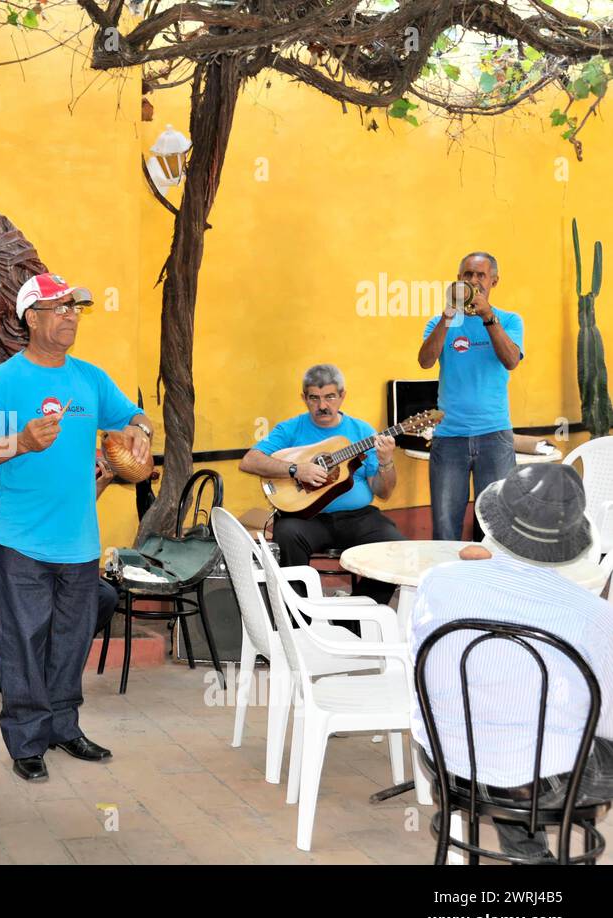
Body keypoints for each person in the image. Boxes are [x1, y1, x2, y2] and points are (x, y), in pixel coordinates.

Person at [0, 271, 153, 782]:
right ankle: (26, 741)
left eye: (75, 308)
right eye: (61, 306)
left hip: (80, 543)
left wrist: (141, 432)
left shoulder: (89, 378)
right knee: (22, 642)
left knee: (70, 641)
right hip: (20, 540)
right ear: (32, 317)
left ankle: (64, 727)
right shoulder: (4, 380)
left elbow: (133, 416)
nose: (71, 315)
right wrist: (19, 442)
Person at [410, 463, 613, 860]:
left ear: (495, 523)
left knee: (515, 725)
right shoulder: (592, 615)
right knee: (556, 739)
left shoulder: (439, 580)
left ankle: (531, 855)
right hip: (545, 785)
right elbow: (605, 723)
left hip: (447, 764)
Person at [239, 363, 404, 604]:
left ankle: (357, 613)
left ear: (342, 396)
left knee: (395, 547)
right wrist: (296, 469)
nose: (323, 405)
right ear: (304, 398)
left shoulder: (362, 431)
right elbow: (249, 461)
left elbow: (384, 492)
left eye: (330, 397)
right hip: (306, 519)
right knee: (286, 534)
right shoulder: (290, 428)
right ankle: (299, 617)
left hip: (357, 518)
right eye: (314, 398)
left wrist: (386, 462)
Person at [0, 461, 120, 647]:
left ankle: (55, 656)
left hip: (50, 560)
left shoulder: (49, 463)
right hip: (4, 564)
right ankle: (41, 661)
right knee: (39, 604)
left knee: (105, 597)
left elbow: (72, 514)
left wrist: (100, 484)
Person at [417, 252, 524, 541]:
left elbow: (511, 360)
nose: (474, 281)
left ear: (494, 281)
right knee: (445, 526)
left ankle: (493, 585)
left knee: (498, 527)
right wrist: (446, 319)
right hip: (449, 436)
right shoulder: (439, 321)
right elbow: (426, 361)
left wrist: (488, 316)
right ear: (458, 280)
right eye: (467, 275)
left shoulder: (510, 320)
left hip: (495, 436)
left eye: (480, 276)